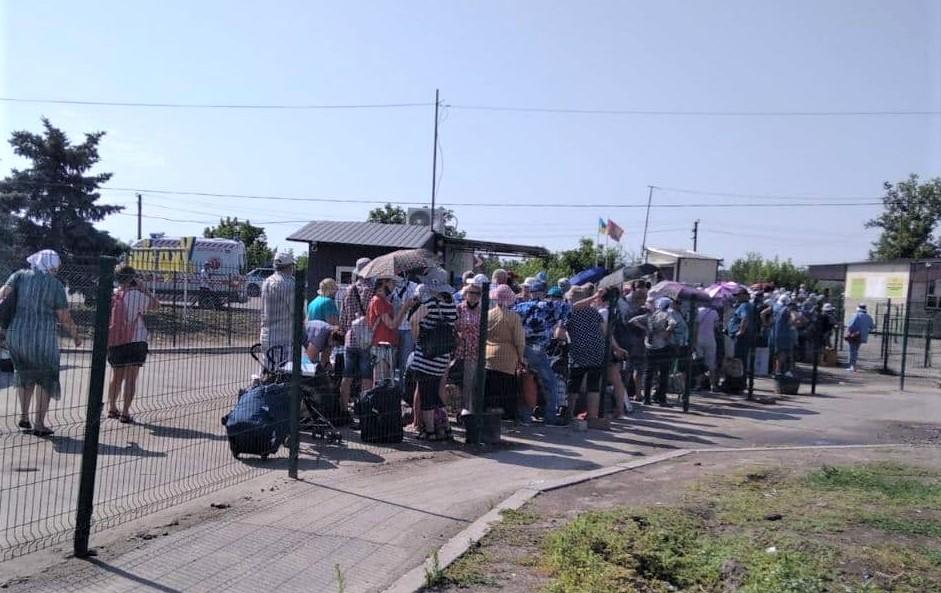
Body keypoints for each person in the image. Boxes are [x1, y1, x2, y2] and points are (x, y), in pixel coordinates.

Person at [0, 250, 82, 436]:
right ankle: (39, 423)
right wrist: (76, 335)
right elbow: (64, 316)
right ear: (52, 265)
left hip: (17, 334)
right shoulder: (55, 285)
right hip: (42, 338)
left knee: (24, 373)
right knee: (46, 378)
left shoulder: (19, 276)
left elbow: (3, 294)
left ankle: (24, 416)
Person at [107, 265, 159, 424]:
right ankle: (125, 412)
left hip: (116, 339)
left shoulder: (114, 294)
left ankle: (112, 407)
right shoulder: (136, 295)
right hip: (136, 339)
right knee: (131, 377)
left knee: (116, 376)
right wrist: (144, 288)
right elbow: (156, 305)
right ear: (132, 278)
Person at [513, 279, 570, 425]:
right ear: (543, 293)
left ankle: (525, 416)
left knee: (526, 381)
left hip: (523, 347)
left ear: (531, 292)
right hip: (537, 350)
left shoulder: (521, 306)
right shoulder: (548, 305)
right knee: (550, 384)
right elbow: (568, 307)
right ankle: (550, 417)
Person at [410, 269, 458, 440]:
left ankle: (429, 430)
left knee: (426, 393)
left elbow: (414, 321)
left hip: (426, 355)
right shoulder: (451, 305)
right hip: (443, 355)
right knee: (437, 394)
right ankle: (445, 427)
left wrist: (418, 340)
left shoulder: (429, 304)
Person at [565, 285, 607, 419]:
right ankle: (593, 417)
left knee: (574, 383)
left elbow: (574, 306)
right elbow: (604, 331)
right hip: (597, 349)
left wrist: (595, 296)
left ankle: (569, 413)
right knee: (593, 385)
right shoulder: (594, 312)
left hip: (579, 350)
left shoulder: (570, 311)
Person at [485, 284, 526, 418]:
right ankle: (506, 416)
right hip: (508, 358)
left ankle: (489, 414)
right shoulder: (513, 317)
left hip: (489, 356)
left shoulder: (488, 315)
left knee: (490, 389)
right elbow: (519, 340)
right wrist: (521, 357)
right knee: (506, 389)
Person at [338, 258, 374, 410]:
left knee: (347, 377)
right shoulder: (372, 290)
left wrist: (347, 331)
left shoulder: (348, 290)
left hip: (350, 338)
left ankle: (343, 409)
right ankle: (364, 410)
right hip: (366, 338)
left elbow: (343, 316)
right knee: (367, 377)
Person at [632, 297, 676, 406]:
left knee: (649, 373)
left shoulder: (651, 315)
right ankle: (661, 399)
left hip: (649, 346)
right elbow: (673, 323)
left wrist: (645, 329)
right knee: (663, 374)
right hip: (663, 346)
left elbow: (633, 320)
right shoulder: (667, 314)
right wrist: (666, 331)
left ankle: (646, 398)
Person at [368, 277, 413, 381]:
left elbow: (395, 324)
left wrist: (405, 309)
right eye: (392, 282)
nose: (394, 286)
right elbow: (391, 325)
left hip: (389, 344)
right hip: (381, 345)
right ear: (384, 283)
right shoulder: (378, 301)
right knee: (381, 380)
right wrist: (404, 308)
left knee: (388, 380)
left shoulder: (386, 301)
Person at [259, 252, 295, 367]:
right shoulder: (289, 283)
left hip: (266, 332)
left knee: (267, 369)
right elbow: (296, 310)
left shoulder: (267, 281)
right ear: (289, 266)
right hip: (283, 336)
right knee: (283, 372)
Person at [454, 276, 483, 414]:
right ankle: (461, 410)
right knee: (460, 382)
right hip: (461, 349)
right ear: (465, 293)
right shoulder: (459, 309)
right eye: (471, 293)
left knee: (472, 383)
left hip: (476, 351)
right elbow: (454, 328)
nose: (473, 296)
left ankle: (470, 410)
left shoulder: (483, 311)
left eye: (477, 293)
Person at [392, 275, 419, 376]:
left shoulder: (413, 286)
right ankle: (390, 389)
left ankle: (404, 389)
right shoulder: (390, 286)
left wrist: (413, 302)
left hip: (408, 328)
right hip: (393, 327)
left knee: (406, 361)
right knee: (391, 362)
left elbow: (418, 300)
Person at [695, 303, 720, 391]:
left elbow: (696, 327)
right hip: (710, 339)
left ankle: (698, 384)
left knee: (699, 362)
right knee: (711, 363)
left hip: (699, 339)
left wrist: (694, 340)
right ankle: (713, 385)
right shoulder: (714, 312)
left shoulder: (698, 311)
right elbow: (716, 326)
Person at [726, 289, 754, 366]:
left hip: (742, 337)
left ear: (745, 295)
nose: (737, 297)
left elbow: (745, 318)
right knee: (738, 358)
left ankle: (739, 377)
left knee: (739, 359)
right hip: (740, 336)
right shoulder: (741, 305)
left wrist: (741, 331)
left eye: (739, 295)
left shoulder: (745, 305)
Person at [845, 304, 875, 372]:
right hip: (862, 336)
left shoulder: (855, 315)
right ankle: (853, 366)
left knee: (852, 351)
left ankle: (852, 366)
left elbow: (850, 325)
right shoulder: (868, 317)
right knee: (856, 350)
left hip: (854, 335)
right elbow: (872, 327)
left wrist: (849, 332)